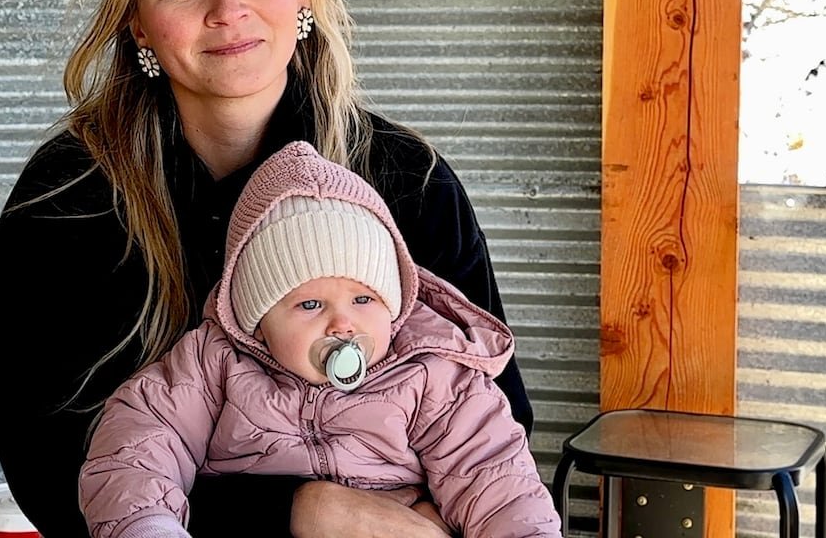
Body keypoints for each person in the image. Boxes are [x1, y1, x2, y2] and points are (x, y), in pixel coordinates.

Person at [0, 0, 534, 538]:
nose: (226, 9)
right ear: (139, 26)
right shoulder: (70, 195)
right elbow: (48, 467)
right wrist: (304, 512)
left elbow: (499, 435)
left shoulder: (407, 181)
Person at [80, 142, 559, 538]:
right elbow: (138, 445)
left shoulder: (430, 373)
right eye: (310, 305)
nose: (342, 325)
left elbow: (493, 475)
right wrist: (148, 527)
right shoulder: (215, 365)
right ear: (257, 318)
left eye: (363, 300)